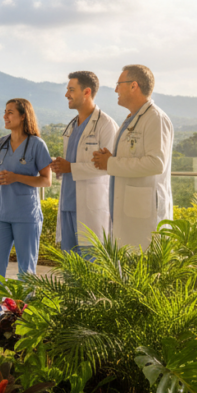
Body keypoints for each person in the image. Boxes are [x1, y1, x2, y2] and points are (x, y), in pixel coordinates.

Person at [91, 65, 174, 250]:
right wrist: (111, 159)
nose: (115, 90)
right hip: (127, 214)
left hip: (144, 219)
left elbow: (156, 163)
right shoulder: (132, 119)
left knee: (143, 272)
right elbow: (133, 155)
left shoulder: (155, 118)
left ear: (133, 86)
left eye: (119, 84)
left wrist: (111, 163)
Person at [0, 99, 52, 301]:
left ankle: (24, 317)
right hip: (0, 214)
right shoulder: (0, 144)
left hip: (26, 214)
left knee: (26, 269)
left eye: (10, 112)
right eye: (4, 112)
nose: (5, 116)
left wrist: (16, 177)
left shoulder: (36, 144)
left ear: (23, 116)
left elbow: (46, 181)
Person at [49, 71, 118, 255]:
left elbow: (109, 166)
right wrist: (60, 167)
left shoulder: (105, 124)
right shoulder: (73, 125)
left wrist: (70, 167)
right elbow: (72, 162)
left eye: (71, 90)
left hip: (92, 209)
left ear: (87, 92)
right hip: (68, 205)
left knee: (91, 270)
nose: (66, 95)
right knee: (71, 271)